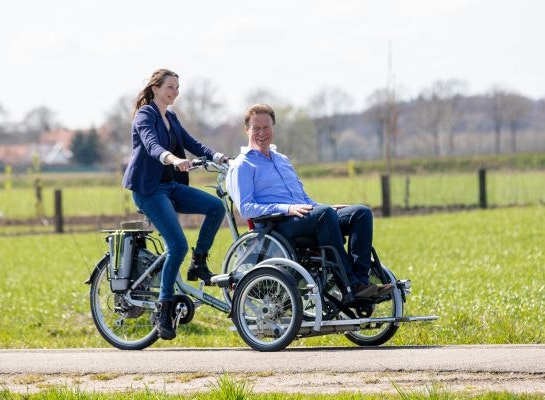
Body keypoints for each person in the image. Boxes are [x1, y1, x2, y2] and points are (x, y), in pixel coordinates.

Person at [226, 103, 393, 302]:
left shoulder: (282, 160)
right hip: (277, 226)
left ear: (273, 128)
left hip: (304, 216)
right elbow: (246, 208)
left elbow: (302, 198)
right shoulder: (243, 165)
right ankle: (350, 286)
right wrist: (287, 208)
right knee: (324, 215)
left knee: (360, 213)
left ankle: (362, 282)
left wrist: (324, 206)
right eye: (256, 128)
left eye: (266, 127)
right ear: (247, 130)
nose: (262, 133)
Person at [122, 68, 228, 340]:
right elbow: (151, 145)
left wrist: (217, 156)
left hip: (171, 186)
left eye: (178, 88)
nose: (175, 92)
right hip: (149, 190)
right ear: (155, 88)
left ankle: (199, 262)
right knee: (177, 245)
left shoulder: (170, 116)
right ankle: (164, 309)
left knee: (216, 207)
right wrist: (172, 159)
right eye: (170, 86)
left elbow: (190, 142)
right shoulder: (145, 115)